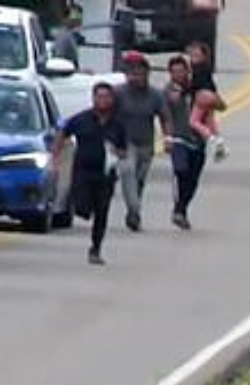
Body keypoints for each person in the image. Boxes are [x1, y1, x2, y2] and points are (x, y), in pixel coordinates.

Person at [51, 82, 127, 265]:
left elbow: (124, 150)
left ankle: (95, 248)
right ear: (93, 99)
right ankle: (83, 209)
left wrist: (116, 152)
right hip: (83, 171)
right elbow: (63, 133)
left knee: (102, 212)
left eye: (106, 97)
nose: (103, 101)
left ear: (112, 100)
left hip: (105, 174)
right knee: (82, 205)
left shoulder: (118, 124)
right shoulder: (82, 119)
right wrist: (55, 157)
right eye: (99, 97)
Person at [113, 51, 173, 231]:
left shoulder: (155, 95)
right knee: (128, 173)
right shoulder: (118, 93)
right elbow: (107, 116)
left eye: (140, 74)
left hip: (146, 144)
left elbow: (165, 118)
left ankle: (133, 212)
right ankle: (135, 208)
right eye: (132, 73)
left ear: (147, 74)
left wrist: (168, 138)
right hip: (125, 143)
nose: (136, 77)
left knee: (139, 180)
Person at [163, 54, 205, 230]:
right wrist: (168, 137)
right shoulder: (167, 92)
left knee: (193, 179)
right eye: (174, 72)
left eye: (181, 71)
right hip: (179, 139)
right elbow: (164, 116)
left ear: (188, 72)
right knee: (181, 172)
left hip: (198, 139)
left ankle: (181, 209)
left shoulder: (198, 88)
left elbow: (215, 105)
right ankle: (179, 210)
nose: (178, 75)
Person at [185, 40, 227, 160]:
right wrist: (215, 96)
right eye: (192, 55)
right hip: (210, 95)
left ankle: (210, 138)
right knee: (210, 122)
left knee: (193, 121)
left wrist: (186, 90)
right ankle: (220, 144)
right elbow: (212, 84)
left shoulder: (197, 69)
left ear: (203, 56)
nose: (193, 58)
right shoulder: (207, 68)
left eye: (197, 55)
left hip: (202, 96)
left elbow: (195, 84)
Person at [50, 2, 83, 68]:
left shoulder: (70, 35)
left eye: (80, 16)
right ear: (66, 18)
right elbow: (59, 62)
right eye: (76, 16)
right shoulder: (63, 36)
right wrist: (79, 71)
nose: (79, 19)